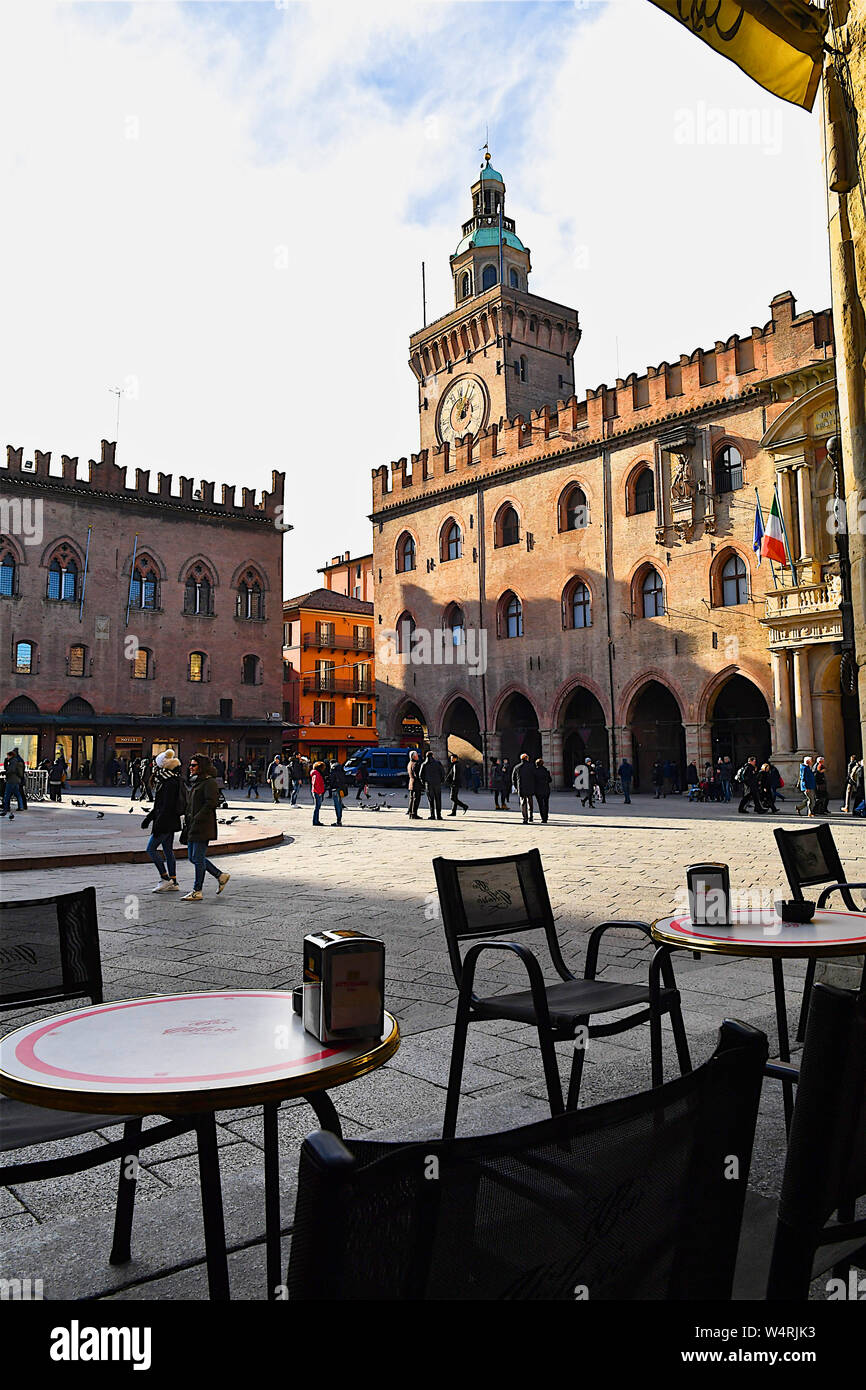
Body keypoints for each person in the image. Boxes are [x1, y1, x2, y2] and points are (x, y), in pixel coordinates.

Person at [181, 755, 229, 901]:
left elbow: (211, 803)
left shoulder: (209, 782)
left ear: (201, 767)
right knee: (193, 857)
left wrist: (197, 817)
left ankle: (197, 890)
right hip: (193, 825)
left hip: (203, 825)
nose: (190, 767)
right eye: (190, 765)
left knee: (197, 857)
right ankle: (220, 875)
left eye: (194, 765)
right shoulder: (197, 781)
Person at [141, 749, 185, 892]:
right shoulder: (171, 779)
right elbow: (160, 805)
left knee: (151, 849)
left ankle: (165, 878)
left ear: (162, 766)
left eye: (156, 764)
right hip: (171, 822)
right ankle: (174, 881)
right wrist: (148, 818)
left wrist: (157, 823)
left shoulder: (167, 782)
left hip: (165, 822)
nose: (154, 767)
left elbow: (164, 806)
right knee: (168, 850)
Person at [419, 749, 444, 820]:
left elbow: (420, 775)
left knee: (431, 800)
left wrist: (424, 783)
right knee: (438, 800)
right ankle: (439, 815)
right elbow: (442, 773)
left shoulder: (424, 764)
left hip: (428, 784)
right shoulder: (438, 763)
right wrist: (441, 781)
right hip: (437, 784)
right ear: (432, 755)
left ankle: (432, 815)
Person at [1, 750, 27, 816]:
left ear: (11, 755)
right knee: (18, 794)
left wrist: (5, 772)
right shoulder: (17, 761)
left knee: (7, 795)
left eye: (8, 756)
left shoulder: (13, 761)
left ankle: (5, 808)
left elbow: (11, 770)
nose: (7, 757)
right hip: (16, 780)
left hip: (11, 780)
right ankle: (21, 806)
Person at [512, 752, 536, 823]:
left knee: (523, 802)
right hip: (530, 786)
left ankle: (525, 818)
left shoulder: (517, 767)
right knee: (530, 801)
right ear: (527, 758)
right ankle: (531, 816)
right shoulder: (531, 766)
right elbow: (535, 776)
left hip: (521, 787)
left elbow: (513, 779)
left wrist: (517, 787)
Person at [327, 759, 348, 825]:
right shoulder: (341, 768)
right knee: (339, 803)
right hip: (341, 788)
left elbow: (332, 779)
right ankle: (339, 819)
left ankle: (338, 821)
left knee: (337, 805)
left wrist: (329, 785)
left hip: (335, 788)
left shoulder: (333, 768)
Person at [534, 757, 551, 823]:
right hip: (546, 789)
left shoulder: (535, 772)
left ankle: (543, 818)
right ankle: (546, 817)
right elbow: (550, 780)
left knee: (540, 804)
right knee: (546, 804)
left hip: (538, 790)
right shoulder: (546, 771)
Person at [406, 750, 422, 819]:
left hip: (411, 783)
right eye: (417, 755)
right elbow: (417, 775)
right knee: (416, 799)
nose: (418, 757)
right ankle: (414, 814)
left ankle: (410, 812)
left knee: (412, 798)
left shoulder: (409, 763)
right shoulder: (415, 764)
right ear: (414, 756)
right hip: (416, 784)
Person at [311, 761, 327, 826]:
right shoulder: (317, 774)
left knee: (317, 807)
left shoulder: (316, 773)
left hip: (316, 791)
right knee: (317, 807)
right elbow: (315, 784)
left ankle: (316, 820)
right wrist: (319, 792)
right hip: (317, 792)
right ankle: (315, 821)